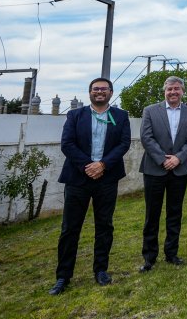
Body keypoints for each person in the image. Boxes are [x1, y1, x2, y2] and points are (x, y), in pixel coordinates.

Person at [49, 78, 131, 295]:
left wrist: (102, 165)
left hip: (107, 178)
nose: (100, 92)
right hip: (78, 178)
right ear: (90, 93)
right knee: (70, 228)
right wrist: (88, 166)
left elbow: (124, 144)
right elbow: (67, 143)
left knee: (104, 226)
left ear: (111, 92)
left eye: (104, 89)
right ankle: (63, 276)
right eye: (96, 89)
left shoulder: (120, 116)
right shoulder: (76, 115)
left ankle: (101, 270)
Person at [139, 76, 187, 271]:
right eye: (170, 89)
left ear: (183, 91)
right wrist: (163, 159)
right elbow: (146, 137)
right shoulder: (150, 111)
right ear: (164, 91)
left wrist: (178, 158)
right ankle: (149, 257)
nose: (173, 92)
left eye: (177, 89)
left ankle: (171, 253)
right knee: (152, 214)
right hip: (154, 169)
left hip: (179, 170)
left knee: (175, 213)